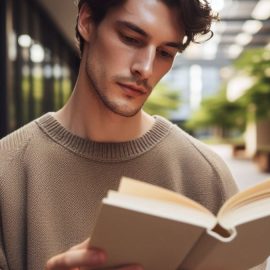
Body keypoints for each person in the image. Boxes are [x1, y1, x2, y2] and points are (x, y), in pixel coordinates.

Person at [0, 0, 266, 269]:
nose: (146, 69)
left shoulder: (205, 175)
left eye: (165, 53)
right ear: (87, 21)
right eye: (131, 39)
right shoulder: (7, 171)